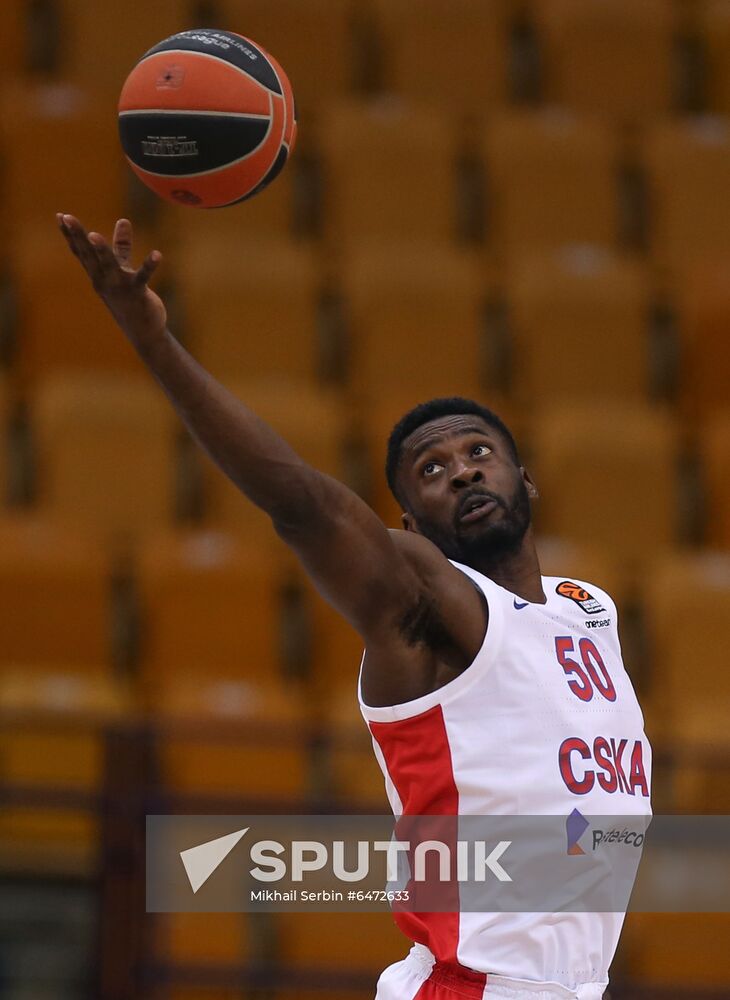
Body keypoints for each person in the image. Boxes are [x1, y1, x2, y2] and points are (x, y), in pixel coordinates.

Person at [57, 214, 652, 1000]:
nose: (463, 473)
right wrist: (156, 345)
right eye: (432, 469)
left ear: (526, 479)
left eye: (479, 452)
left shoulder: (590, 608)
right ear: (408, 526)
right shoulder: (432, 611)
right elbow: (305, 507)